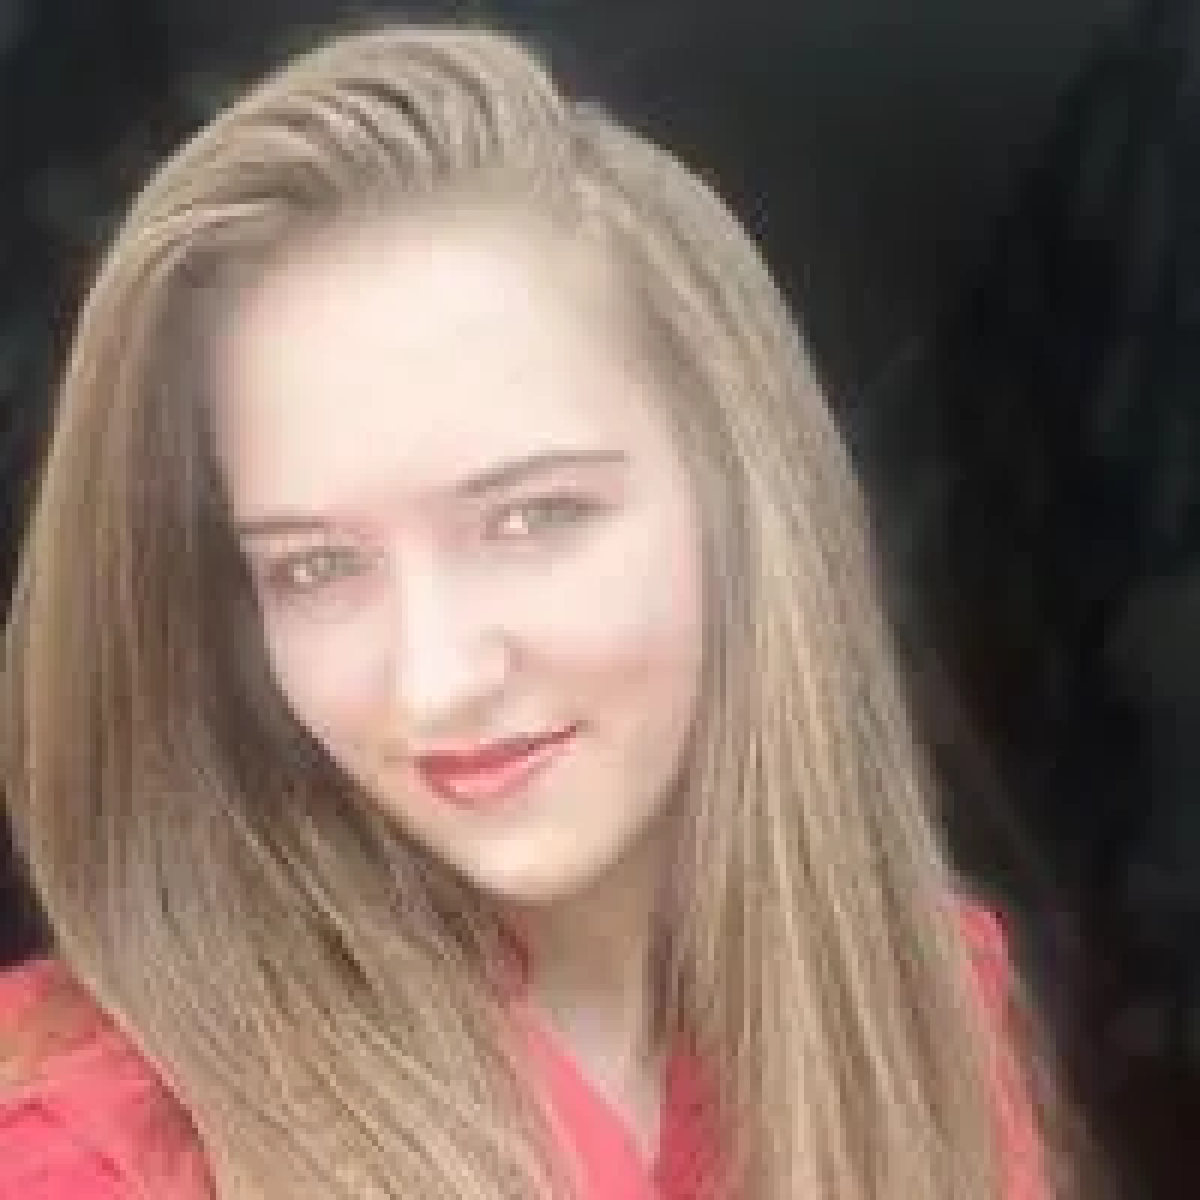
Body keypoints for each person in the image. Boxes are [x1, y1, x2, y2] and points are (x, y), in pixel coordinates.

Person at [0, 22, 1061, 1200]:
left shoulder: (923, 1010)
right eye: (316, 566)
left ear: (743, 495)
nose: (433, 681)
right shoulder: (84, 1150)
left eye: (530, 518)